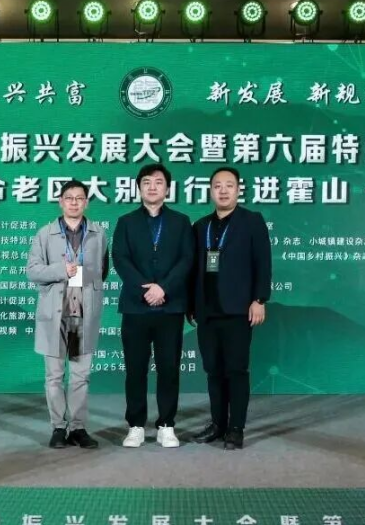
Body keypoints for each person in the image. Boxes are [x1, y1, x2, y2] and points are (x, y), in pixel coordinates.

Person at [112, 163, 194, 448]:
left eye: (158, 182)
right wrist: (145, 289)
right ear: (139, 188)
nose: (152, 187)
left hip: (170, 308)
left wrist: (164, 288)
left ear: (167, 188)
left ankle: (166, 425)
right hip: (136, 307)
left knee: (169, 369)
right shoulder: (126, 222)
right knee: (135, 369)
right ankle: (135, 425)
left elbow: (187, 259)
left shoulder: (181, 222)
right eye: (146, 182)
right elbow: (120, 259)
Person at [189, 167, 272, 450]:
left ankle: (236, 428)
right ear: (210, 191)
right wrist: (192, 305)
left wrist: (259, 299)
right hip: (207, 310)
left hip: (239, 309)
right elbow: (194, 269)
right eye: (217, 186)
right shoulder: (201, 226)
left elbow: (263, 262)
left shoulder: (252, 221)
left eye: (229, 185)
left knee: (236, 370)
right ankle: (217, 424)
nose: (223, 190)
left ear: (238, 189)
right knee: (213, 370)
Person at [27, 180, 109, 449]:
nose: (74, 202)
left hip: (82, 315)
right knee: (54, 375)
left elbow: (103, 270)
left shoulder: (98, 234)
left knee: (80, 375)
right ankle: (58, 427)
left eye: (79, 198)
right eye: (69, 198)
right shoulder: (45, 234)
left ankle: (78, 427)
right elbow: (33, 271)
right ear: (60, 202)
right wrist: (61, 271)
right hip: (55, 315)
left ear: (87, 202)